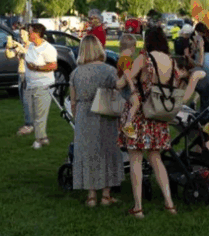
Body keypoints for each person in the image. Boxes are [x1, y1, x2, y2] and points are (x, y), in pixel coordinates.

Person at [117, 27, 179, 218]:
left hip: (140, 115)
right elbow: (174, 86)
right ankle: (169, 204)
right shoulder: (172, 61)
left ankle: (138, 207)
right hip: (158, 115)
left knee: (135, 158)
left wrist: (124, 77)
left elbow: (120, 84)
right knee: (156, 158)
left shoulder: (144, 58)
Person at [68, 35, 124, 207]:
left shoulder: (75, 73)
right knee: (107, 152)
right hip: (106, 113)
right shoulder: (109, 70)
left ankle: (91, 196)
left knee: (88, 154)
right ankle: (106, 195)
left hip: (85, 114)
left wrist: (77, 117)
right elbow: (119, 89)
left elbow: (73, 101)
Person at [25, 23, 58, 149]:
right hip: (31, 84)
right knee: (33, 113)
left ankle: (38, 140)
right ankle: (43, 137)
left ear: (37, 34)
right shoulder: (31, 46)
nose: (28, 34)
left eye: (30, 32)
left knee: (40, 113)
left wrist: (37, 67)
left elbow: (53, 65)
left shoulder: (48, 49)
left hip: (43, 84)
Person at [6, 26, 34, 135]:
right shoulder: (21, 46)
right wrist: (8, 47)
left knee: (27, 100)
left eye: (23, 34)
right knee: (23, 100)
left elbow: (29, 56)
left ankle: (29, 124)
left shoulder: (32, 46)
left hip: (28, 74)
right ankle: (29, 122)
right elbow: (10, 55)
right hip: (21, 74)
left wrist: (19, 46)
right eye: (20, 34)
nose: (21, 36)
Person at [118, 34, 139, 139]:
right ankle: (128, 124)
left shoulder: (122, 58)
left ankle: (128, 124)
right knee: (136, 103)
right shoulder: (126, 59)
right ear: (132, 47)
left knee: (133, 104)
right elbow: (127, 74)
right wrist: (132, 86)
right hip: (126, 87)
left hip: (125, 86)